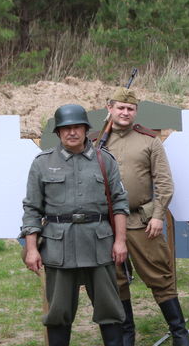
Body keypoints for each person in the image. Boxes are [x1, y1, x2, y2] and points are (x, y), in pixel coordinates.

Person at [21, 104, 128, 345]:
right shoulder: (42, 163)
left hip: (99, 244)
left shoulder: (105, 160)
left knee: (110, 309)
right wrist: (31, 248)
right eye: (66, 128)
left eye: (77, 127)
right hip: (59, 246)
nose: (72, 132)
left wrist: (120, 241)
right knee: (58, 312)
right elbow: (32, 209)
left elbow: (120, 203)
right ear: (58, 132)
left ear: (85, 130)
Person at [102, 88, 189, 346]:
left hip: (141, 221)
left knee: (160, 275)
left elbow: (164, 183)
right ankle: (126, 335)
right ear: (110, 107)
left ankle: (179, 333)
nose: (125, 112)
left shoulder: (149, 140)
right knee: (115, 280)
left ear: (136, 112)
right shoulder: (97, 141)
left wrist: (158, 215)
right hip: (107, 225)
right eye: (120, 107)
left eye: (130, 108)